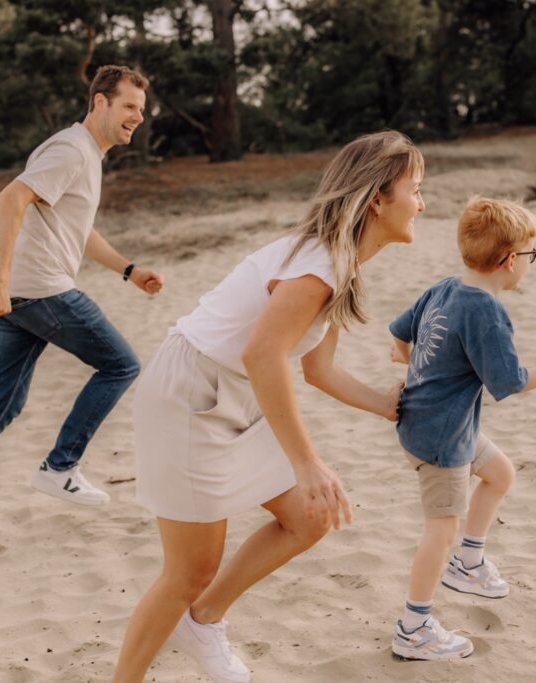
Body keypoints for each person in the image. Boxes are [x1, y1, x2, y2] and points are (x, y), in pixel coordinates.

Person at [111, 131, 423, 683]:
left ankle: (202, 623)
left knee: (309, 516)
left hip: (231, 393)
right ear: (378, 199)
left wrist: (387, 406)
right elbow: (263, 354)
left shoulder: (338, 264)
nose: (422, 203)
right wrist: (307, 462)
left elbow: (315, 369)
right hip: (192, 393)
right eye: (416, 189)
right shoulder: (320, 263)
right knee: (189, 572)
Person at [0, 65, 164, 543]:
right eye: (129, 106)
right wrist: (2, 283)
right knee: (120, 365)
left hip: (20, 295)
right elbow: (9, 200)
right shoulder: (72, 149)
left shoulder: (84, 154)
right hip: (38, 290)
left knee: (0, 405)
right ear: (99, 103)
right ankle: (60, 466)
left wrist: (128, 271)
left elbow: (76, 227)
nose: (138, 117)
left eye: (141, 109)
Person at [386, 196, 536, 661]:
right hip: (440, 438)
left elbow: (399, 333)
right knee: (440, 530)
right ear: (507, 260)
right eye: (529, 256)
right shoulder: (485, 311)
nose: (530, 265)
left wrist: (410, 363)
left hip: (433, 421)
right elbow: (509, 383)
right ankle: (414, 626)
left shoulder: (445, 288)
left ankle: (470, 560)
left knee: (500, 473)